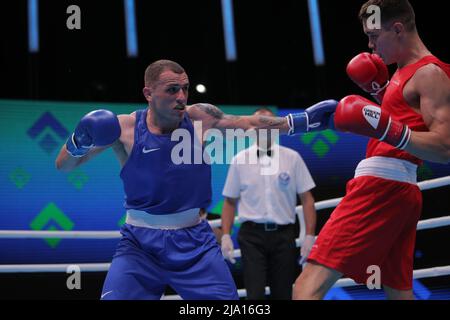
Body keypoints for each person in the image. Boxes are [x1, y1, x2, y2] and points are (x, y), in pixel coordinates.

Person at [55, 59, 337, 300]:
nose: (181, 96)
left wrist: (299, 122)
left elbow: (247, 123)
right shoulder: (124, 128)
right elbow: (64, 166)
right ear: (148, 92)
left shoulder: (199, 117)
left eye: (185, 88)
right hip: (139, 245)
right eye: (172, 89)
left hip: (196, 244)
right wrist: (78, 141)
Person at [293, 0, 450, 300]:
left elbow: (444, 148)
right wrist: (380, 96)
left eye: (374, 36)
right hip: (399, 193)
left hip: (381, 188)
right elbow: (404, 124)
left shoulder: (429, 74)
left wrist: (386, 127)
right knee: (399, 293)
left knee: (306, 287)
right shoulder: (402, 73)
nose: (370, 45)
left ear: (398, 28)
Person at [220, 108, 317, 300]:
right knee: (254, 295)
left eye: (268, 123)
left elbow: (307, 199)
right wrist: (225, 235)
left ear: (277, 128)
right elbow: (230, 201)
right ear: (252, 128)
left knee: (283, 294)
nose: (264, 128)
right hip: (251, 237)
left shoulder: (292, 158)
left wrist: (309, 236)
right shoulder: (239, 160)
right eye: (259, 123)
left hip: (284, 236)